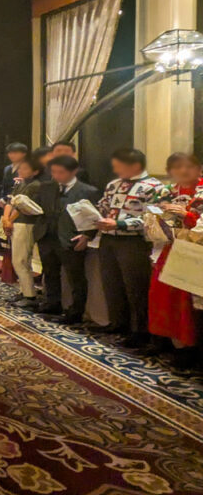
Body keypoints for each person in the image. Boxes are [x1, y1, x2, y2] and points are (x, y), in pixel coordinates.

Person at [95, 148, 164, 349]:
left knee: (135, 287)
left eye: (119, 166)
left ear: (134, 165)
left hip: (133, 242)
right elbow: (103, 207)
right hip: (108, 239)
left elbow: (153, 219)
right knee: (112, 283)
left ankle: (139, 331)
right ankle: (118, 322)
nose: (116, 170)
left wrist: (121, 224)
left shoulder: (154, 187)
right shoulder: (113, 185)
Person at [147, 152, 203, 366]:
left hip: (194, 251)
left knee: (186, 302)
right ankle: (169, 342)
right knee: (163, 296)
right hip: (168, 249)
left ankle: (189, 348)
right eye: (177, 167)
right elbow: (150, 217)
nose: (183, 171)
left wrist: (187, 215)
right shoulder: (166, 191)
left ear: (199, 169)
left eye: (189, 166)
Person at [33, 155, 101, 320]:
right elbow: (37, 207)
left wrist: (87, 235)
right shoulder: (46, 187)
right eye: (54, 172)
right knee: (50, 272)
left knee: (75, 277)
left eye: (61, 172)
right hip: (47, 236)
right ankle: (52, 303)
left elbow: (94, 217)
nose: (57, 176)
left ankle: (76, 311)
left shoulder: (87, 191)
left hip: (71, 238)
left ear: (73, 171)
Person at [2, 157, 45, 309]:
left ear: (35, 171)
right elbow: (10, 202)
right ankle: (23, 290)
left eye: (25, 168)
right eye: (20, 168)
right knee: (18, 259)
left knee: (21, 260)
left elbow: (23, 207)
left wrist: (10, 220)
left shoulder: (35, 186)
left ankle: (30, 295)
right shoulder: (21, 183)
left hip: (26, 223)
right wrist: (6, 219)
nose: (21, 170)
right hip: (15, 222)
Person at [0, 143, 28, 209]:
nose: (12, 155)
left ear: (23, 154)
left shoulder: (27, 167)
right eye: (10, 153)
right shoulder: (7, 168)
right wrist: (2, 198)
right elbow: (4, 186)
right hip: (6, 202)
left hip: (20, 202)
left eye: (15, 153)